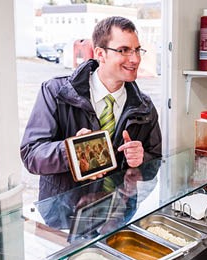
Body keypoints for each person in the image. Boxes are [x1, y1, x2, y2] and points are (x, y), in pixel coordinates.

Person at [21, 16, 162, 200]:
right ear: (100, 54)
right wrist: (73, 152)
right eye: (124, 50)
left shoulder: (145, 107)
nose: (135, 59)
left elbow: (155, 159)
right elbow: (31, 154)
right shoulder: (55, 92)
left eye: (137, 50)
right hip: (66, 216)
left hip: (119, 213)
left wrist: (141, 160)